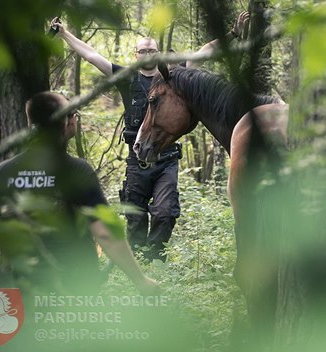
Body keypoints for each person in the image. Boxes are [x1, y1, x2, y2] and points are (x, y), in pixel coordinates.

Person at [50, 12, 249, 262]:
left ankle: (155, 261)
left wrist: (232, 34)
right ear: (136, 55)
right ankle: (139, 264)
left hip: (166, 159)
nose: (147, 55)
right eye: (142, 51)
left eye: (152, 50)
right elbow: (91, 55)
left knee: (166, 213)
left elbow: (204, 51)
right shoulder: (126, 77)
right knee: (135, 217)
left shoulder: (174, 76)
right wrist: (66, 34)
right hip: (137, 161)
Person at [0, 91, 158, 295]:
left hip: (20, 288)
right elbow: (105, 233)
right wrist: (140, 281)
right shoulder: (76, 172)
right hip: (74, 284)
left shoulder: (3, 172)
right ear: (68, 123)